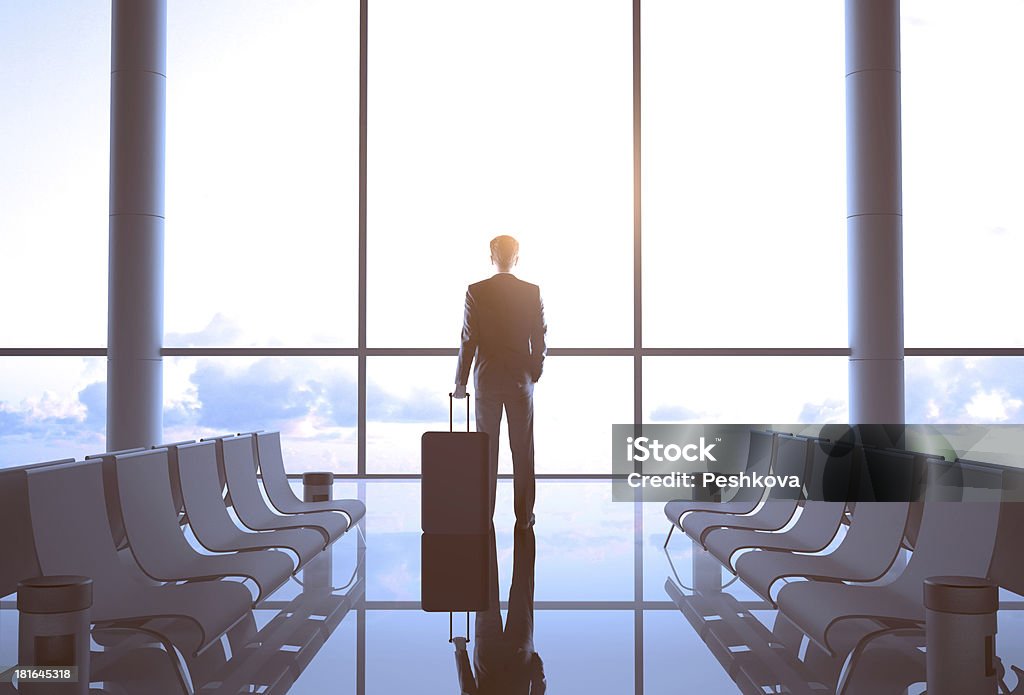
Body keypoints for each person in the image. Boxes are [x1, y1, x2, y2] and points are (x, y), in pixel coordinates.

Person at [453, 235, 546, 530]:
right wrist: (534, 371)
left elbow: (469, 339)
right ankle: (524, 518)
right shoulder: (531, 292)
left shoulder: (476, 291)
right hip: (520, 381)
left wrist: (461, 382)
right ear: (516, 257)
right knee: (523, 450)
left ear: (491, 257)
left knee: (486, 451)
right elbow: (540, 336)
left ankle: (484, 514)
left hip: (487, 380)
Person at [452, 526, 546, 694]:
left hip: (518, 657)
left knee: (522, 587)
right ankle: (484, 519)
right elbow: (468, 692)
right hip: (488, 658)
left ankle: (525, 525)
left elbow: (539, 686)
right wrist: (460, 651)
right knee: (486, 587)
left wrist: (534, 661)